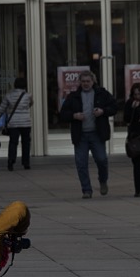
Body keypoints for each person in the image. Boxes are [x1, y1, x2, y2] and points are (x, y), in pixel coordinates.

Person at [60, 70, 117, 199]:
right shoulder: (73, 96)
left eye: (88, 81)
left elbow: (114, 107)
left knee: (102, 159)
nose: (85, 84)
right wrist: (74, 115)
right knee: (81, 163)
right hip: (80, 135)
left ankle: (103, 180)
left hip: (97, 133)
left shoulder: (102, 93)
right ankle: (86, 190)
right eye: (83, 81)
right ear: (80, 82)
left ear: (93, 81)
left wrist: (103, 111)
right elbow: (63, 113)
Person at [0, 77, 34, 171]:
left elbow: (1, 110)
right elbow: (30, 104)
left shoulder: (9, 96)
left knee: (13, 142)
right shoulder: (28, 96)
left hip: (13, 123)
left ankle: (11, 162)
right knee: (26, 143)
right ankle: (26, 163)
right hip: (25, 123)